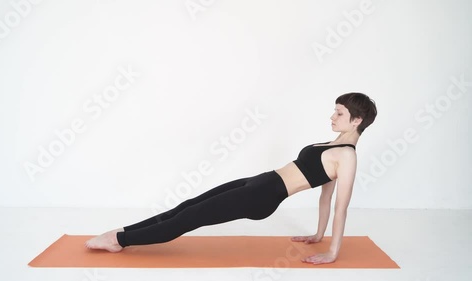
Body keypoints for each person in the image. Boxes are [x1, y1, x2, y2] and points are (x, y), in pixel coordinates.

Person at [85, 92, 377, 265]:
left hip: (263, 197)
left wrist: (332, 251)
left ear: (356, 121)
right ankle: (122, 231)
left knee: (190, 218)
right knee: (186, 206)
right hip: (260, 181)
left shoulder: (347, 156)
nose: (332, 116)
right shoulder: (331, 145)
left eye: (339, 113)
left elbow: (339, 206)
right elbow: (324, 195)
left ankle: (120, 241)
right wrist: (317, 235)